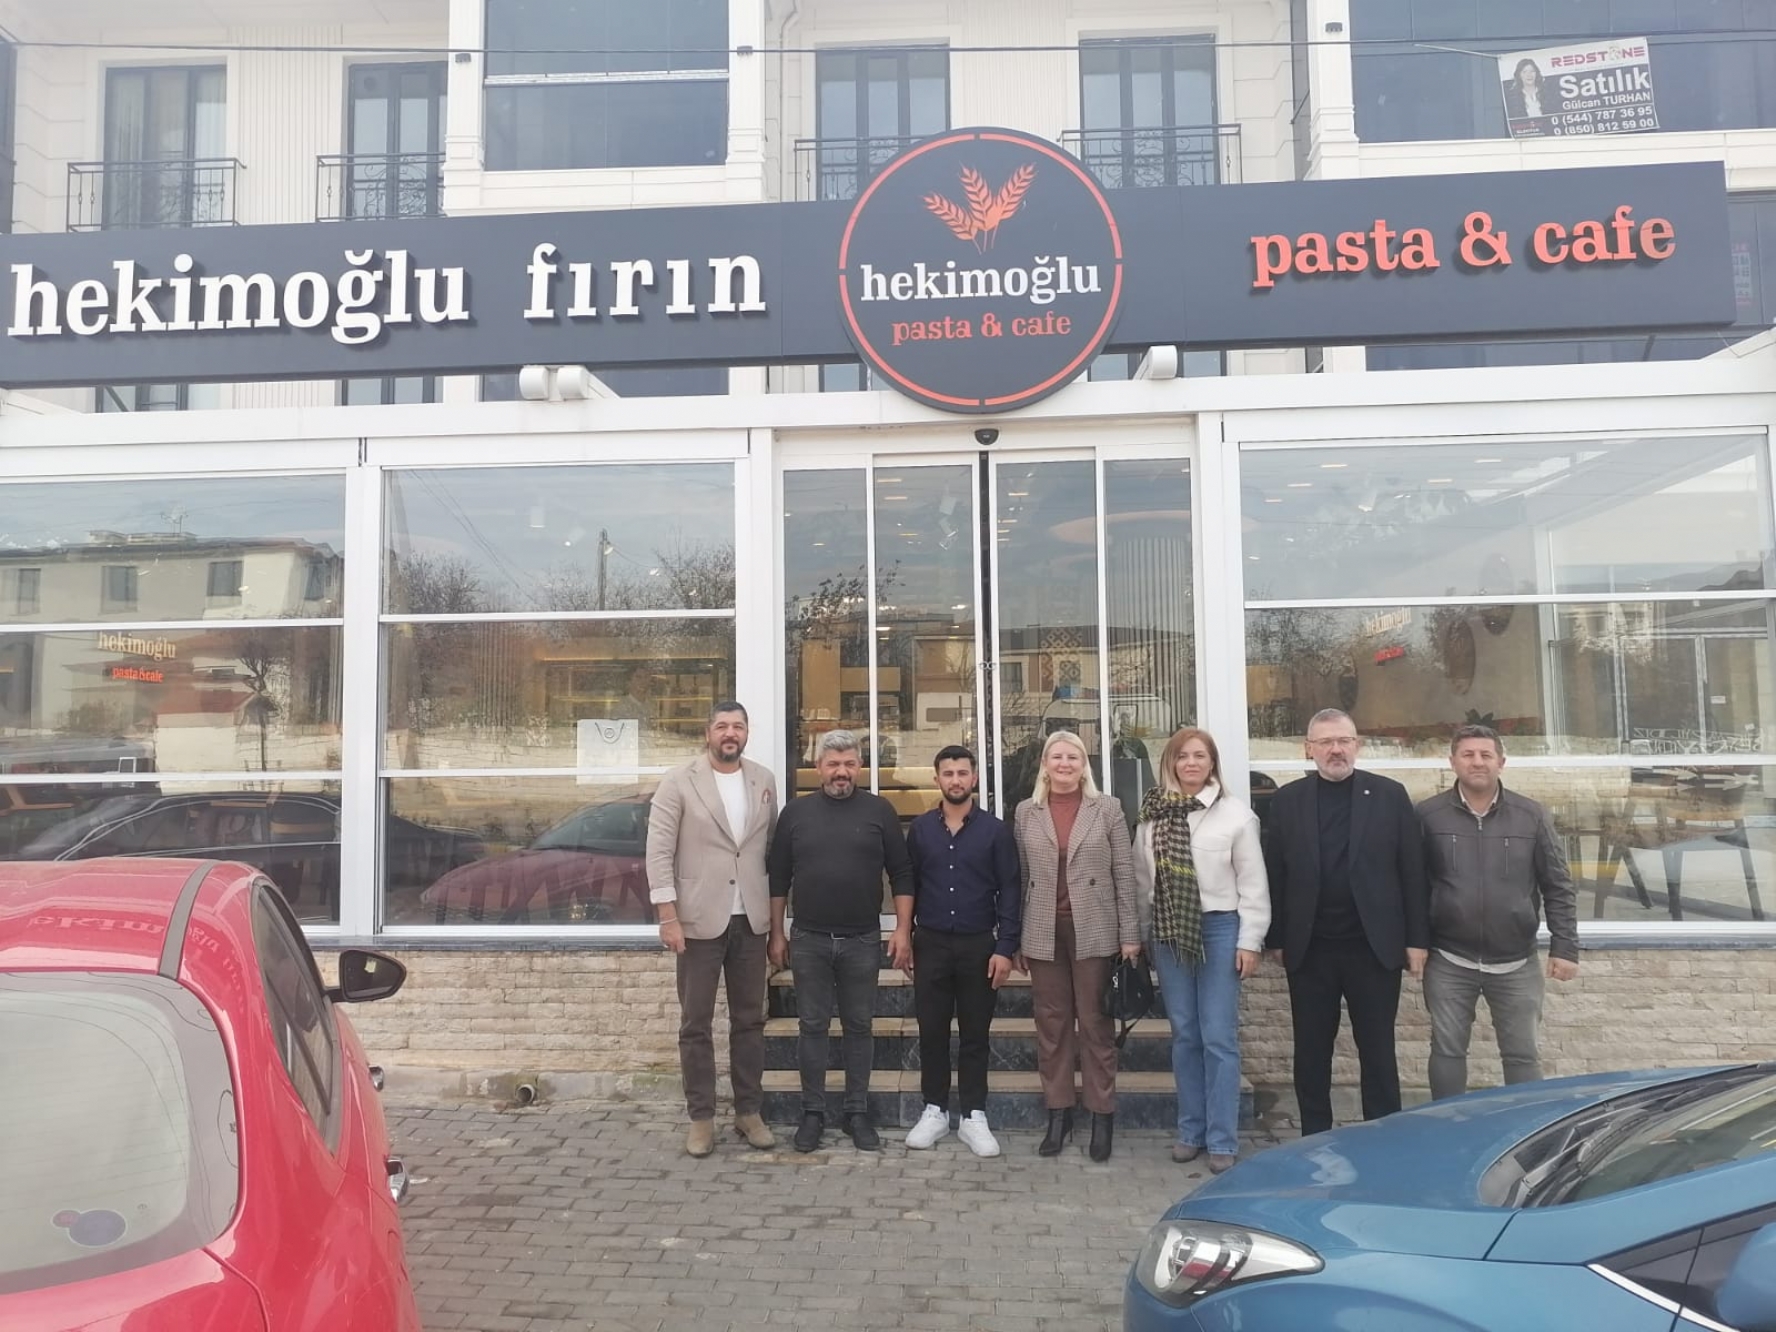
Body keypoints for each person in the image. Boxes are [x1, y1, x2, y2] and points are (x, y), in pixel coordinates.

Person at [1263, 708, 1428, 1136]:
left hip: (1373, 949)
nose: (1335, 750)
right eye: (1325, 742)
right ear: (1309, 749)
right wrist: (1276, 937)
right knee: (1311, 1053)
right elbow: (1275, 873)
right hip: (1310, 949)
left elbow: (1412, 872)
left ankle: (1383, 1138)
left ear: (1358, 745)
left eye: (1344, 741)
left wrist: (1417, 940)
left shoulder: (1389, 795)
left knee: (1377, 1051)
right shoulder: (1288, 800)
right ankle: (1314, 1137)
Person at [1416, 724, 1580, 1100]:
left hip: (1516, 962)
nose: (1477, 762)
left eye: (1486, 755)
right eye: (1468, 754)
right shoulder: (1428, 815)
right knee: (1446, 1050)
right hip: (1449, 958)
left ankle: (1525, 1126)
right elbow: (1413, 885)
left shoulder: (1531, 815)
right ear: (1452, 762)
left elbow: (1558, 884)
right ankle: (1448, 1124)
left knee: (1522, 1054)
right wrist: (1415, 943)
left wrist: (1565, 947)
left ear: (1501, 762)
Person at [768, 729, 914, 1154]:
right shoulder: (795, 814)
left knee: (859, 1027)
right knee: (812, 1027)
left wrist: (902, 929)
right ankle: (812, 1113)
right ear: (818, 768)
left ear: (860, 767)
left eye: (849, 763)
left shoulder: (880, 811)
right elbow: (778, 878)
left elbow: (902, 874)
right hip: (808, 939)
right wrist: (776, 932)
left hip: (863, 939)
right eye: (833, 764)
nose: (841, 772)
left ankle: (856, 1112)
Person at [645, 701, 780, 1157]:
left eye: (738, 726)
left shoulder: (763, 780)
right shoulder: (679, 781)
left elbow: (768, 848)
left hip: (750, 919)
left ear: (747, 733)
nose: (730, 733)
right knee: (696, 1023)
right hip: (697, 920)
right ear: (708, 733)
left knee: (750, 1020)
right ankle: (701, 1118)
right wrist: (668, 915)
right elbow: (658, 851)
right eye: (722, 726)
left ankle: (748, 1112)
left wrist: (776, 922)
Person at [1134, 728, 1270, 1175]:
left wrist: (1250, 940)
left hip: (1219, 929)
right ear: (1170, 763)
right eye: (1182, 756)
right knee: (1185, 1034)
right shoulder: (1152, 815)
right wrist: (1142, 935)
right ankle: (1190, 1131)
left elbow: (1253, 884)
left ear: (1212, 763)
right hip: (1169, 933)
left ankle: (1222, 1138)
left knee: (1218, 1036)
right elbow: (1141, 883)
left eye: (1199, 756)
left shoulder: (1236, 816)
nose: (1191, 763)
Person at [1012, 730, 1140, 1162]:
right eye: (1057, 757)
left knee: (1096, 1024)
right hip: (1043, 929)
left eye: (1073, 757)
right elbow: (1020, 875)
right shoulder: (1026, 812)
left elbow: (1124, 873)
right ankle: (1059, 1113)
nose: (1064, 764)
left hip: (1095, 929)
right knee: (1052, 1026)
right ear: (1044, 764)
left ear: (1084, 764)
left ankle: (1101, 1114)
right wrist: (1015, 937)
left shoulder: (1108, 809)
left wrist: (1130, 935)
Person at [902, 745, 1022, 1158]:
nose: (955, 780)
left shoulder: (996, 832)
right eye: (948, 773)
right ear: (937, 779)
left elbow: (1010, 890)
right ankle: (934, 1110)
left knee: (975, 1034)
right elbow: (909, 886)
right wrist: (905, 935)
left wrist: (1005, 947)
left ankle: (973, 1114)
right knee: (931, 1031)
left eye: (962, 773)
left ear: (975, 778)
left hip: (979, 945)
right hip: (931, 943)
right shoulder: (920, 830)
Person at [1503, 57, 1551, 125]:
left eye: (1532, 71)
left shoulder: (1547, 93)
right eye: (1524, 72)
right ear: (1519, 75)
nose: (1529, 75)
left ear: (1536, 73)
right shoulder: (1512, 97)